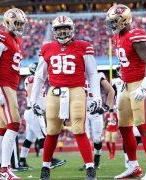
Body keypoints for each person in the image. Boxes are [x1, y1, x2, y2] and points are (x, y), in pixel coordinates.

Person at [30, 15, 100, 180]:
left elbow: (92, 74)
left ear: (71, 29)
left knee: (78, 128)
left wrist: (97, 97)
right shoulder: (47, 48)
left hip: (76, 89)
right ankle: (45, 168)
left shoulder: (84, 46)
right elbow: (40, 76)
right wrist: (33, 99)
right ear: (54, 31)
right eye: (59, 29)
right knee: (52, 131)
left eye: (65, 28)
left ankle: (90, 168)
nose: (62, 31)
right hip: (54, 90)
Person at [105, 4, 146, 179]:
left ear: (124, 20)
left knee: (143, 126)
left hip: (139, 85)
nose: (112, 25)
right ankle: (133, 166)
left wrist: (145, 85)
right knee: (124, 127)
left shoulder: (135, 35)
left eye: (114, 21)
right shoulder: (118, 37)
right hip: (126, 85)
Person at [0, 8, 28, 180]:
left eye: (21, 23)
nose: (19, 26)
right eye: (16, 23)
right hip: (3, 86)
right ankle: (5, 169)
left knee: (1, 130)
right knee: (14, 124)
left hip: (9, 86)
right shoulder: (0, 38)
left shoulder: (16, 40)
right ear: (8, 22)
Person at [18, 62, 66, 171]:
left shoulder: (38, 79)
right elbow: (31, 92)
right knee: (43, 136)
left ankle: (22, 161)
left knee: (29, 138)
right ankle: (50, 161)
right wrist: (34, 104)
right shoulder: (32, 78)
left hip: (33, 111)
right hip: (34, 111)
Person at [80, 72, 115, 171]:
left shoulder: (98, 76)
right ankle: (88, 163)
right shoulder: (77, 76)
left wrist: (106, 107)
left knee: (96, 140)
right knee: (84, 138)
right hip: (83, 112)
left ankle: (96, 161)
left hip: (96, 112)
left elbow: (111, 91)